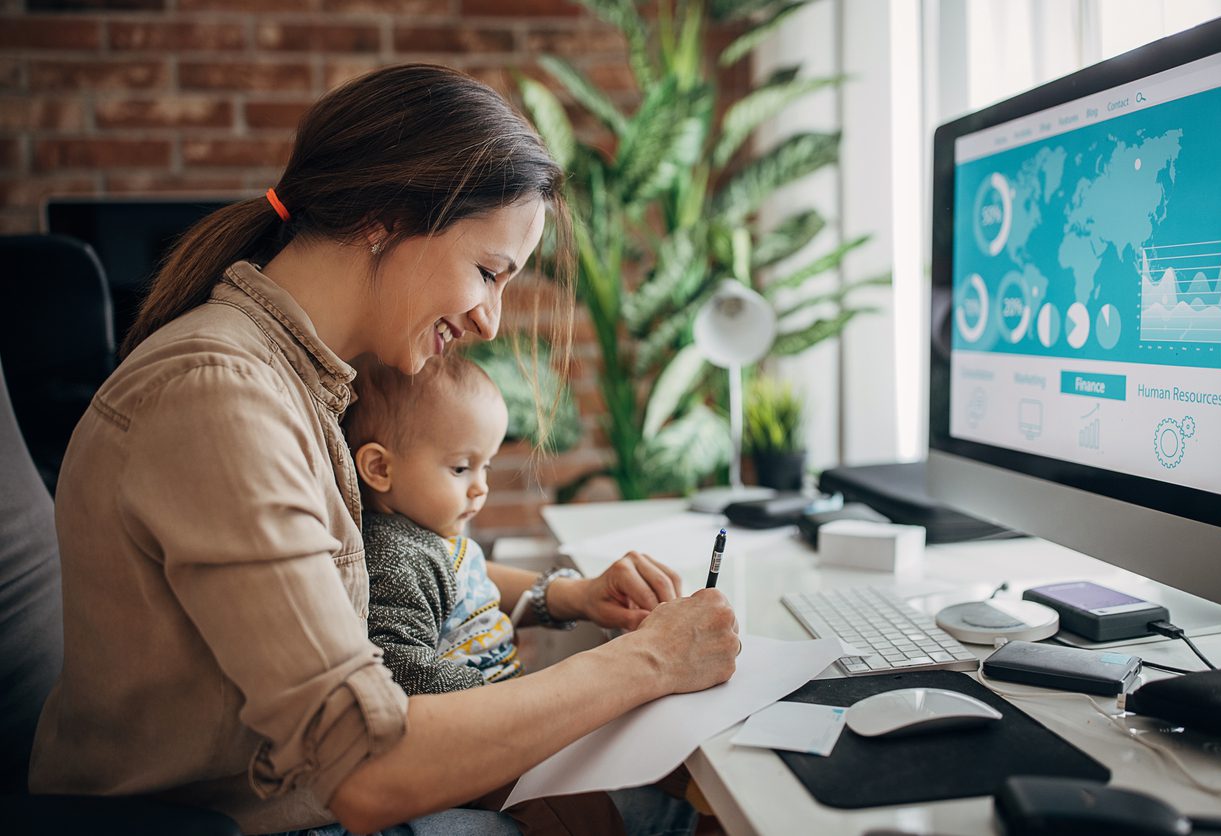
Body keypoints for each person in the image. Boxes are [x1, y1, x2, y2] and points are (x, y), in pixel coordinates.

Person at [28, 64, 739, 836]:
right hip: (279, 819)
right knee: (667, 818)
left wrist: (561, 597)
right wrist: (650, 661)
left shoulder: (305, 377)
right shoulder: (220, 399)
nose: (490, 321)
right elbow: (367, 769)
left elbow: (369, 560)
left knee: (653, 795)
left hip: (306, 805)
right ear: (384, 218)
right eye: (486, 272)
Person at [345, 353, 627, 834]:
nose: (481, 488)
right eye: (460, 468)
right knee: (583, 814)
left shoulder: (433, 537)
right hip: (473, 738)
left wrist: (553, 602)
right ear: (379, 468)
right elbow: (401, 669)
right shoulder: (396, 555)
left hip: (499, 713)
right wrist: (503, 702)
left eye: (486, 466)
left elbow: (475, 599)